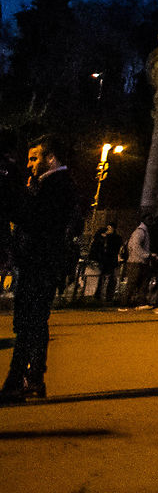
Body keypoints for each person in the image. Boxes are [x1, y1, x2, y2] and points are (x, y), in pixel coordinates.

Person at [2, 136, 77, 403]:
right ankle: (33, 378)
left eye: (34, 158)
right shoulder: (50, 184)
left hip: (40, 261)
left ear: (51, 158)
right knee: (34, 321)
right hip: (40, 261)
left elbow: (37, 221)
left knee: (27, 323)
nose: (29, 164)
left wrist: (13, 202)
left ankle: (15, 382)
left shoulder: (57, 185)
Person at [123, 216, 158, 307]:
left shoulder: (142, 231)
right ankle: (126, 302)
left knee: (141, 283)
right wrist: (147, 255)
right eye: (150, 219)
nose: (152, 222)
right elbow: (135, 247)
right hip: (136, 261)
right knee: (134, 283)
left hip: (138, 261)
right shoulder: (140, 232)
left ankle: (137, 301)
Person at [88, 222, 125, 305]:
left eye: (110, 228)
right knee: (103, 279)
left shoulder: (114, 238)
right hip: (105, 261)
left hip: (110, 261)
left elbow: (117, 248)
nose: (108, 230)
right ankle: (100, 296)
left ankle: (107, 297)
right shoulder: (103, 237)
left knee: (110, 279)